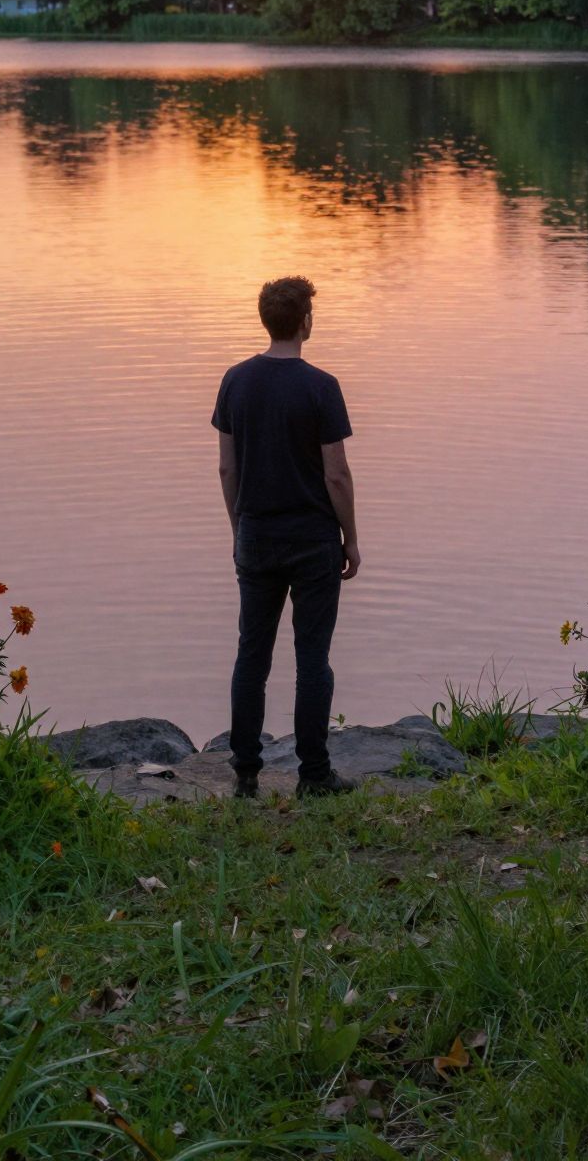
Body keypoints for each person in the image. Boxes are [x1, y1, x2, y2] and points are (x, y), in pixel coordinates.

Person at [212, 275, 360, 799]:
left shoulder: (235, 380)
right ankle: (313, 775)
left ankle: (246, 772)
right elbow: (336, 474)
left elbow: (227, 469)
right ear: (305, 322)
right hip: (313, 539)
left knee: (252, 654)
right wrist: (351, 538)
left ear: (265, 319)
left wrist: (238, 528)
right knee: (312, 658)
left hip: (256, 534)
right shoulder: (321, 386)